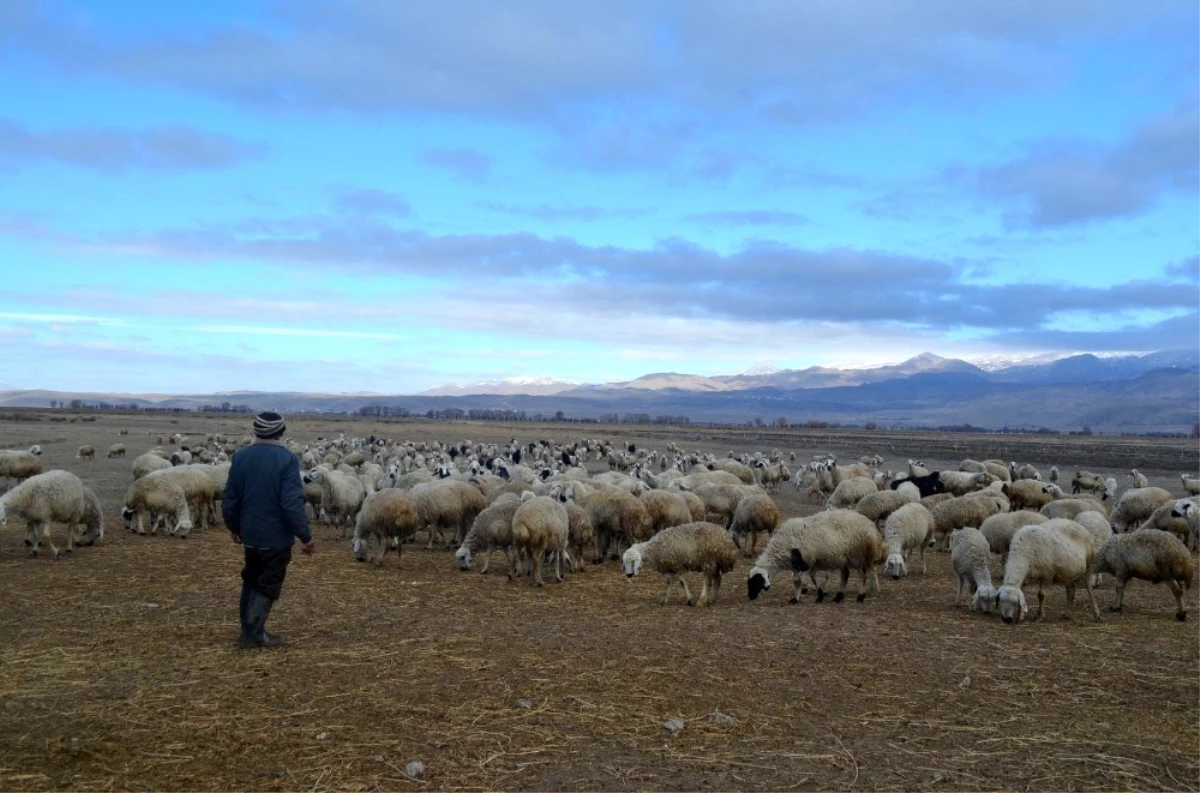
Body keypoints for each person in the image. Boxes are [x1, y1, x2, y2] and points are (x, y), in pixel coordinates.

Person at [222, 411, 315, 648]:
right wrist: (305, 535)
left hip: (250, 535)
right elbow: (291, 503)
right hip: (275, 537)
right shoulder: (286, 460)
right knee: (267, 583)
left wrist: (233, 526)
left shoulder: (241, 458)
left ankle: (247, 630)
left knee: (251, 579)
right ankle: (254, 633)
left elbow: (230, 497)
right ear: (281, 432)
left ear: (256, 431)